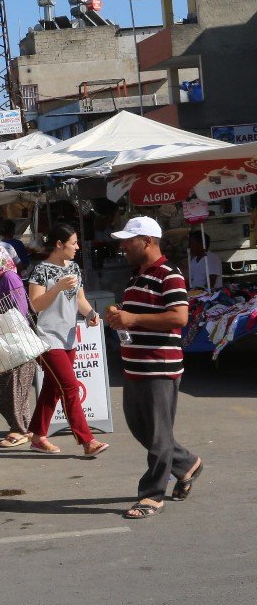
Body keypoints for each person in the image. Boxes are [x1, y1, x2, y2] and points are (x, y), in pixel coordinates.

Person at [106, 217, 201, 520]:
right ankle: (186, 464)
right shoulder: (137, 277)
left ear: (147, 240)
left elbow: (179, 317)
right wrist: (120, 315)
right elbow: (139, 315)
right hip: (135, 366)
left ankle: (152, 494)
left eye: (128, 241)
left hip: (158, 365)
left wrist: (131, 319)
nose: (123, 246)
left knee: (158, 435)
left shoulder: (169, 276)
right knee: (141, 427)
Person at [27, 224, 109, 457]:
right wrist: (58, 287)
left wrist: (91, 314)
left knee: (53, 388)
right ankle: (87, 440)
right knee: (70, 387)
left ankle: (37, 435)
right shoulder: (40, 270)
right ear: (59, 244)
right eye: (72, 243)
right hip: (46, 337)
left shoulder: (73, 267)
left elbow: (80, 300)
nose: (76, 247)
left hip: (69, 337)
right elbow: (36, 305)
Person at [0, 243, 35, 448]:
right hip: (0, 342)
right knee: (3, 388)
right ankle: (22, 426)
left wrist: (1, 327)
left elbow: (20, 309)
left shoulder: (9, 278)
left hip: (14, 341)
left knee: (14, 387)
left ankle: (20, 429)